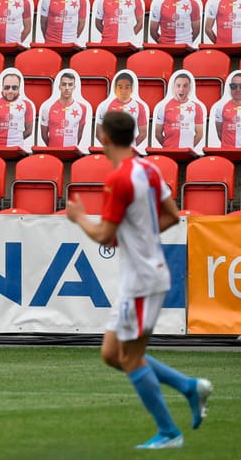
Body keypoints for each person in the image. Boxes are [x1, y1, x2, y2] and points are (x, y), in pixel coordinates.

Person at [66, 110, 212, 450]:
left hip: (142, 280)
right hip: (142, 276)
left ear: (103, 136)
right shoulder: (149, 169)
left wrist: (78, 218)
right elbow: (173, 215)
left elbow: (103, 235)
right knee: (111, 354)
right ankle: (190, 387)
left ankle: (168, 433)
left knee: (130, 358)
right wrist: (138, 235)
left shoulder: (118, 180)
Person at [206, 70, 241, 153]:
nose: (238, 89)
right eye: (234, 86)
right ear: (230, 87)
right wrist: (229, 146)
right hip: (225, 150)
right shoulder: (221, 107)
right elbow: (219, 132)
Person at [95, 71, 149, 154]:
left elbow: (143, 133)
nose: (123, 90)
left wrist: (131, 146)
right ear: (115, 88)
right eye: (120, 87)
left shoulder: (139, 106)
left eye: (127, 87)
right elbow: (99, 133)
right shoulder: (105, 106)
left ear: (132, 88)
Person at [151, 71, 205, 153]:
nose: (181, 89)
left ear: (189, 88)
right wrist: (167, 147)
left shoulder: (197, 107)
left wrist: (189, 148)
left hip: (187, 153)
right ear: (174, 87)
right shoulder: (163, 106)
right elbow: (157, 134)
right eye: (178, 85)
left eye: (185, 86)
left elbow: (199, 134)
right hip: (168, 151)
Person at [39, 69, 92, 151]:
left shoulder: (82, 108)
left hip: (72, 152)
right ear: (59, 87)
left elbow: (79, 134)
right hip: (53, 151)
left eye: (70, 85)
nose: (67, 88)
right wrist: (52, 147)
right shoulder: (47, 107)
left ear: (74, 87)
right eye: (64, 84)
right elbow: (44, 134)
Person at [0, 68, 35, 150]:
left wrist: (15, 141)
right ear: (2, 87)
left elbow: (29, 131)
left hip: (17, 149)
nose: (10, 91)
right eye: (7, 87)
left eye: (14, 88)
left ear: (19, 88)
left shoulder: (27, 105)